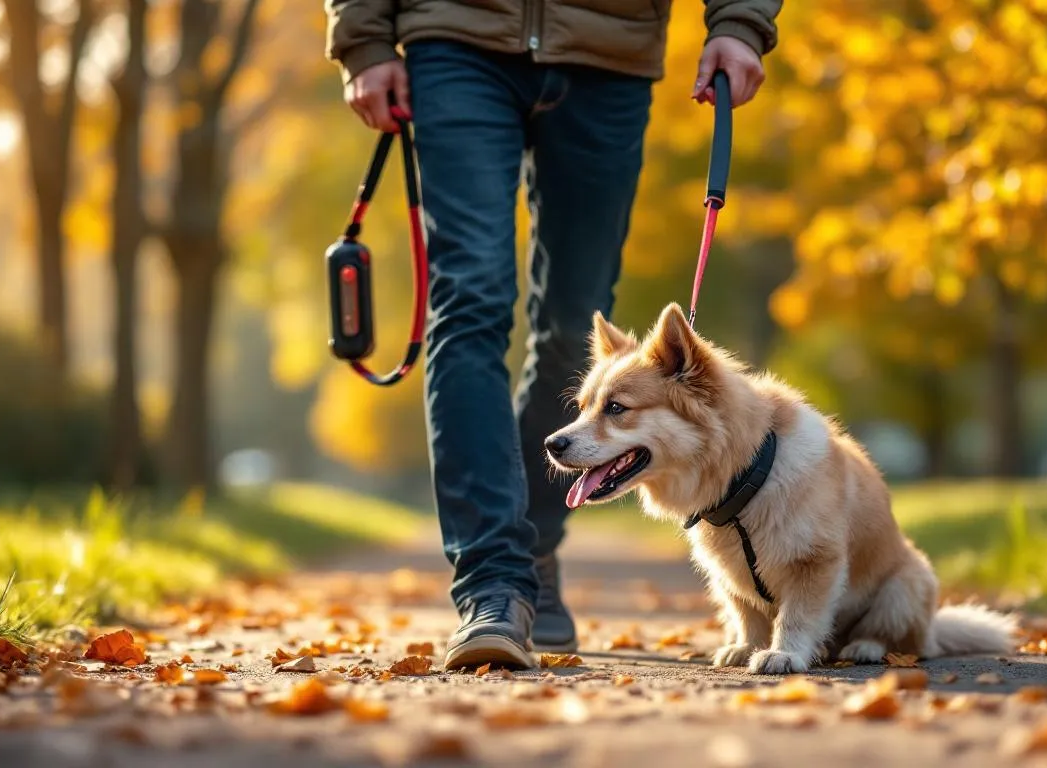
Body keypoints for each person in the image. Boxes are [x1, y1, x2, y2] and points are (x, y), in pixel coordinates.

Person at [323, 0, 783, 670]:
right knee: (471, 301)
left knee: (578, 330)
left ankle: (533, 543)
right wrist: (363, 41)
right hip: (455, 37)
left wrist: (738, 22)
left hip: (610, 48)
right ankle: (494, 583)